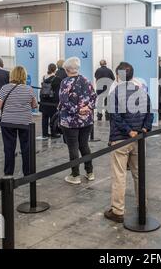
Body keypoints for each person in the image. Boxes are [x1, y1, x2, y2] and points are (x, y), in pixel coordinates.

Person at [104, 62, 153, 223]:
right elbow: (149, 113)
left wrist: (128, 131)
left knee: (119, 175)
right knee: (139, 174)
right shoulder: (142, 91)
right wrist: (145, 129)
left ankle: (118, 211)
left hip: (121, 140)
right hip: (138, 139)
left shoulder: (115, 93)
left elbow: (115, 116)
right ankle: (142, 205)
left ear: (118, 75)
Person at [59, 57, 97, 185]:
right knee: (84, 145)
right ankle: (90, 172)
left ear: (67, 69)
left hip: (70, 121)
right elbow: (94, 97)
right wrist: (87, 108)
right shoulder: (86, 80)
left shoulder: (65, 82)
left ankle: (75, 175)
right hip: (86, 120)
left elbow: (64, 100)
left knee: (73, 147)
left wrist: (77, 110)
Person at [0, 66, 38, 176]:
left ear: (12, 75)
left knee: (9, 148)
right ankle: (27, 173)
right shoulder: (29, 89)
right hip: (25, 122)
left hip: (8, 121)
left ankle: (8, 173)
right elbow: (34, 105)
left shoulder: (5, 88)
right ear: (24, 76)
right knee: (26, 148)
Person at [39, 63, 61, 139]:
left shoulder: (44, 77)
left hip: (43, 100)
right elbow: (58, 92)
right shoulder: (57, 79)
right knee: (53, 118)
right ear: (55, 69)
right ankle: (53, 133)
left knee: (44, 118)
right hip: (52, 101)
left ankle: (44, 133)